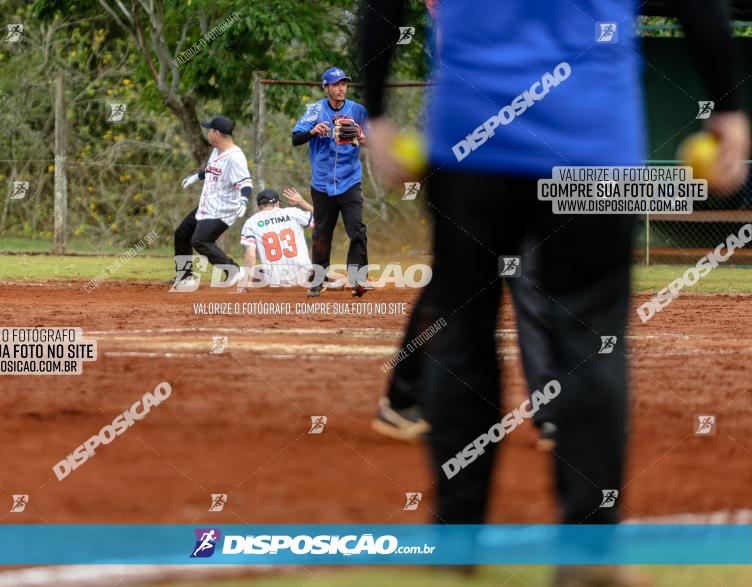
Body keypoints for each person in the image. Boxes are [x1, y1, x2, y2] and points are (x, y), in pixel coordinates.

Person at [361, 1, 749, 585]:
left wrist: (377, 110)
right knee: (591, 337)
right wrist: (729, 107)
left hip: (471, 136)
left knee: (462, 330)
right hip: (592, 138)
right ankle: (590, 548)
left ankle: (455, 537)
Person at [292, 67, 371, 297]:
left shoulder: (357, 110)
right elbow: (296, 137)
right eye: (336, 84)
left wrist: (364, 138)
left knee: (357, 230)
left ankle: (357, 280)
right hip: (322, 185)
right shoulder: (315, 111)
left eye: (344, 84)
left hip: (350, 182)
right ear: (325, 87)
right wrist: (312, 131)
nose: (341, 88)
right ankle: (318, 281)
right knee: (321, 235)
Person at [169, 115, 252, 290]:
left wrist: (244, 201)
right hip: (207, 205)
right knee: (182, 234)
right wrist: (196, 177)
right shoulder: (216, 150)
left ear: (218, 133)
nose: (208, 133)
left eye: (210, 130)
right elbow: (213, 171)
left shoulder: (235, 157)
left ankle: (233, 269)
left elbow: (245, 183)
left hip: (223, 209)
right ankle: (184, 277)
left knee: (200, 240)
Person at [237, 188, 314, 289]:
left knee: (255, 271)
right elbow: (323, 218)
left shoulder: (251, 222)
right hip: (304, 276)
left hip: (275, 282)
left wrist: (245, 285)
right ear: (277, 203)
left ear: (258, 207)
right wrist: (302, 202)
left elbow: (251, 256)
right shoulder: (293, 213)